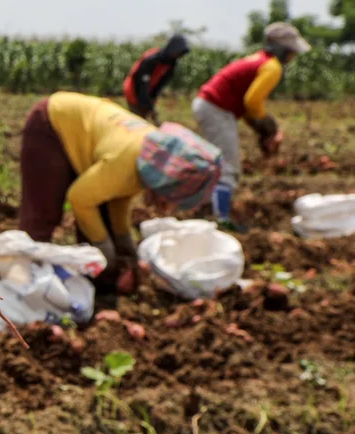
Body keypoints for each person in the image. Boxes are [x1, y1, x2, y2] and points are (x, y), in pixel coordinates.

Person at [19, 92, 221, 293]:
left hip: (87, 133)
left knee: (101, 214)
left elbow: (118, 198)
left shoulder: (152, 158)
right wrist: (103, 245)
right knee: (45, 211)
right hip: (51, 124)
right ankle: (21, 277)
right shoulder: (126, 163)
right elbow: (79, 199)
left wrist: (124, 244)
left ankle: (97, 281)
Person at [192, 22, 311, 230]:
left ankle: (209, 207)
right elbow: (252, 102)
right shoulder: (272, 67)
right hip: (216, 109)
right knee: (229, 167)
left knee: (218, 163)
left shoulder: (258, 60)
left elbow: (246, 107)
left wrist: (259, 129)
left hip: (211, 106)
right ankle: (222, 219)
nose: (292, 57)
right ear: (283, 50)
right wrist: (269, 126)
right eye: (291, 52)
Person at [123, 34, 190, 123]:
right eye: (177, 52)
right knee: (137, 121)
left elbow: (160, 85)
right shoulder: (151, 60)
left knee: (145, 119)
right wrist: (148, 106)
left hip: (147, 91)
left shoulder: (171, 64)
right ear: (172, 48)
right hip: (133, 90)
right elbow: (141, 84)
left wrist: (151, 103)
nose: (177, 55)